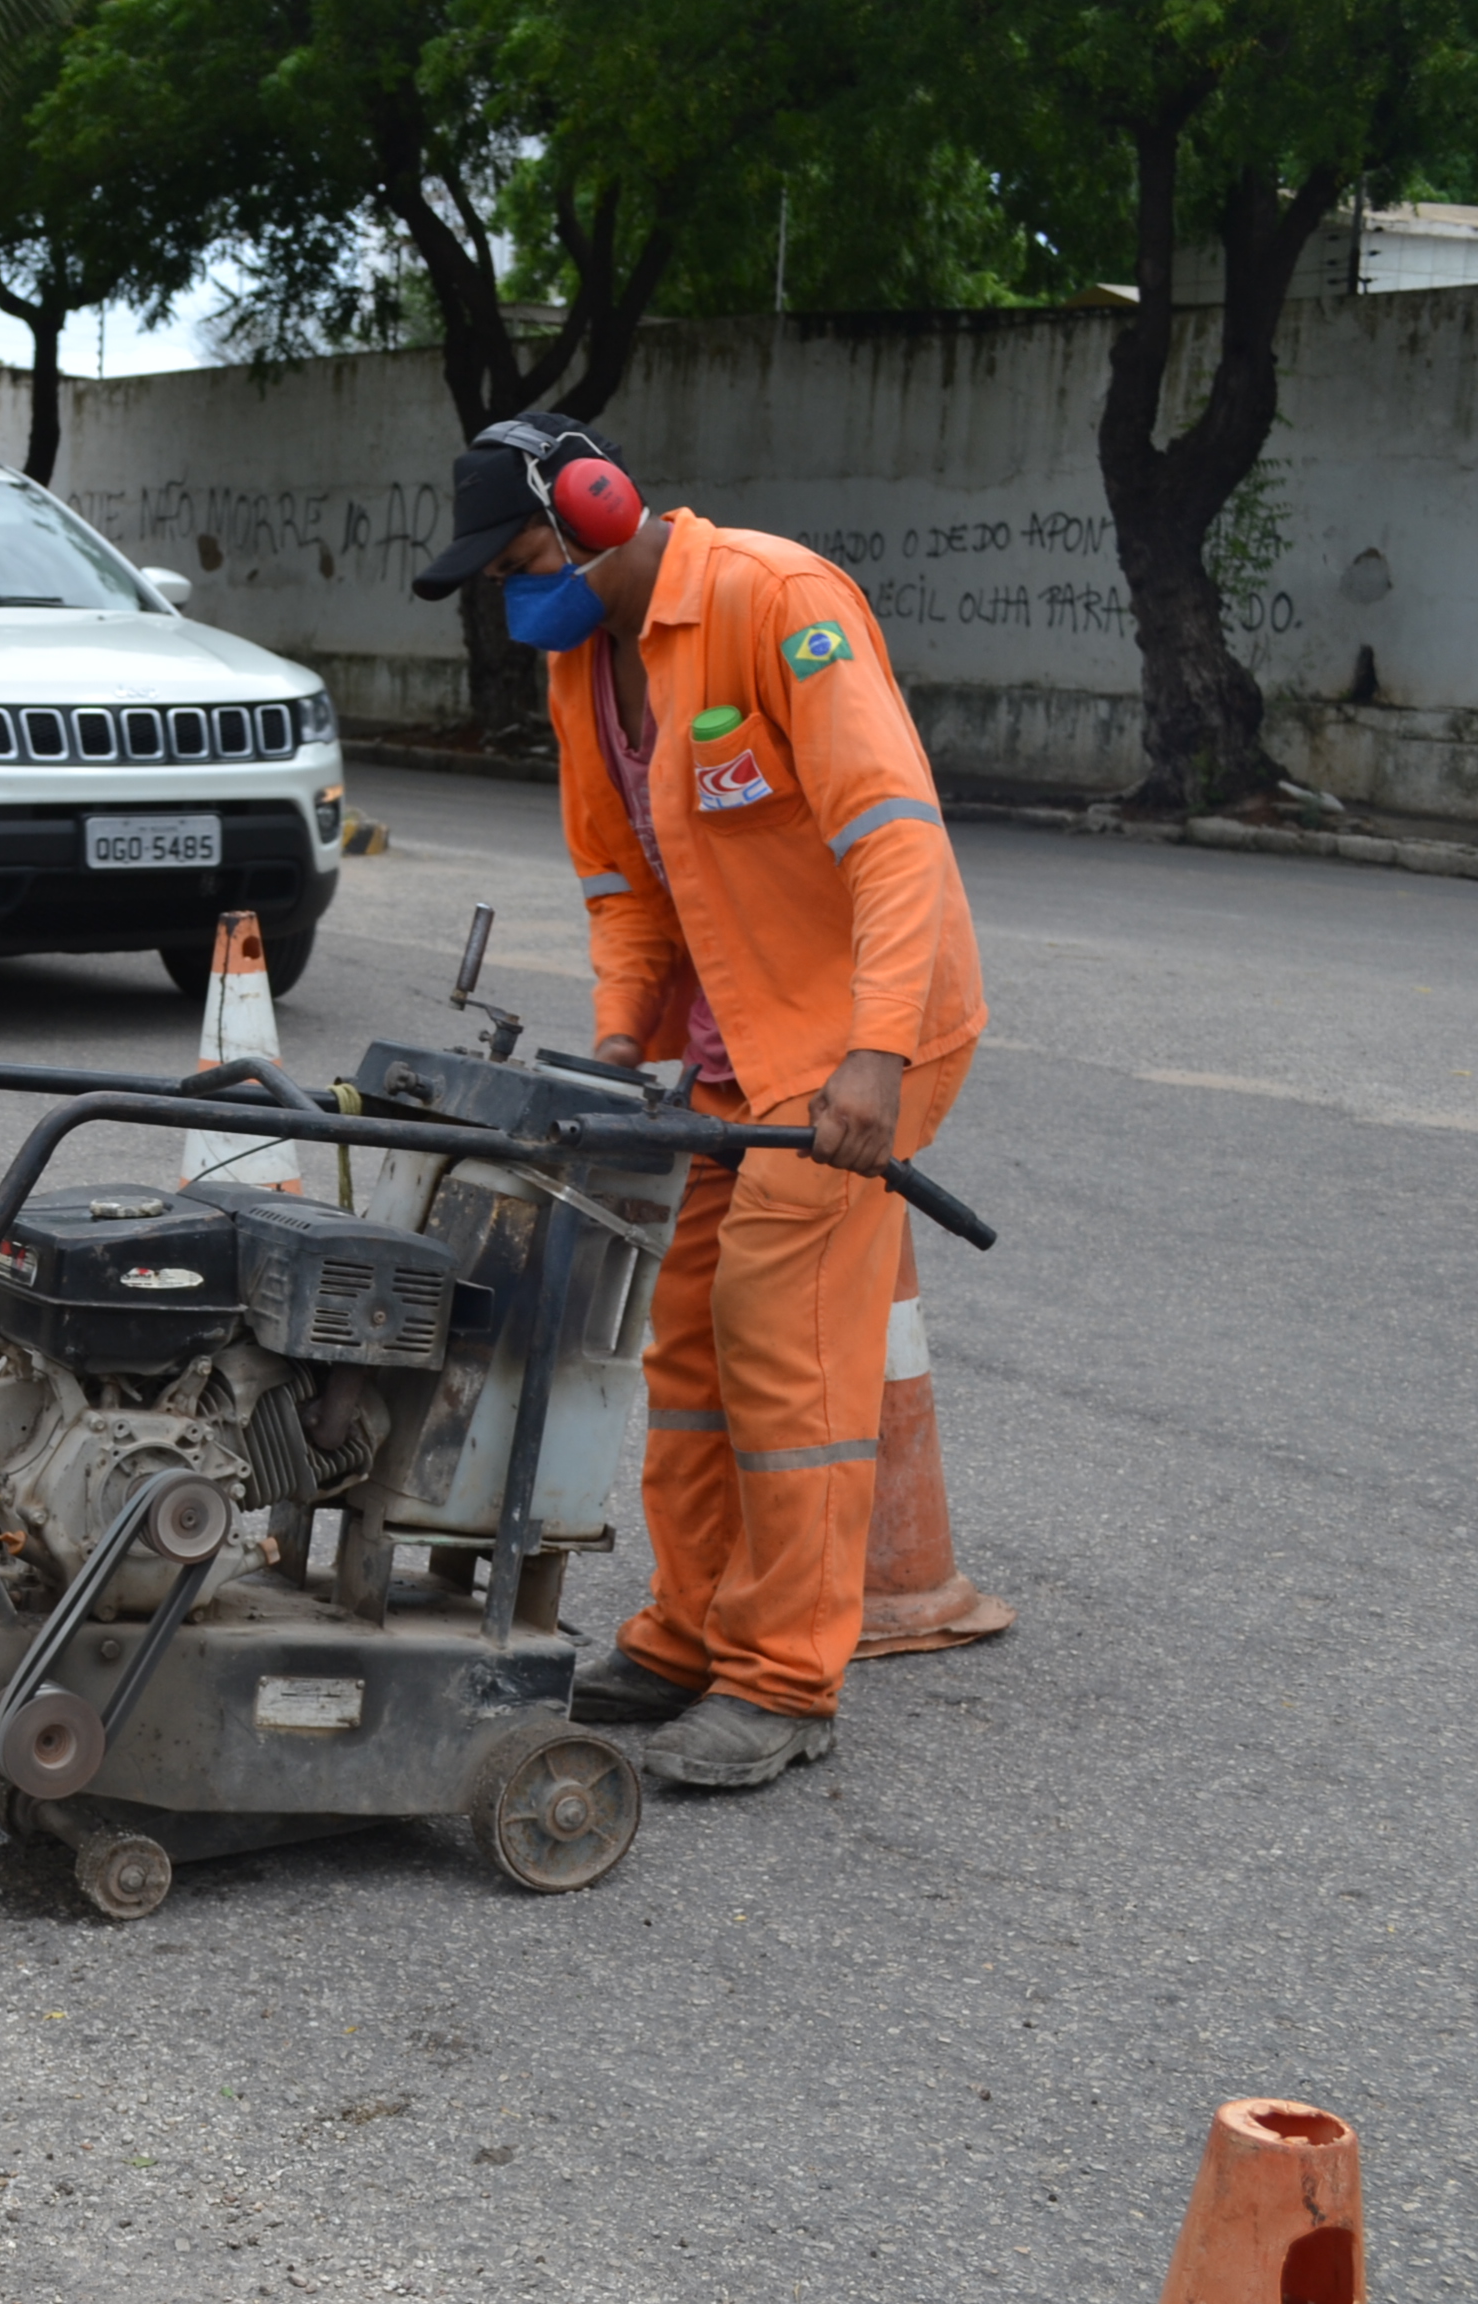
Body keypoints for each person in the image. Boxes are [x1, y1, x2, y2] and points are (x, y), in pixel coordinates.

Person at [411, 412, 984, 1791]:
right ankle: (685, 1637)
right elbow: (622, 889)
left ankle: (785, 1680)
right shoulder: (581, 670)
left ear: (602, 506)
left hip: (860, 1045)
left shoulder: (775, 602)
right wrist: (618, 1049)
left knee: (779, 1342)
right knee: (678, 1343)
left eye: (519, 557)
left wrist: (875, 1054)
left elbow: (896, 839)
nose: (511, 591)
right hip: (718, 1061)